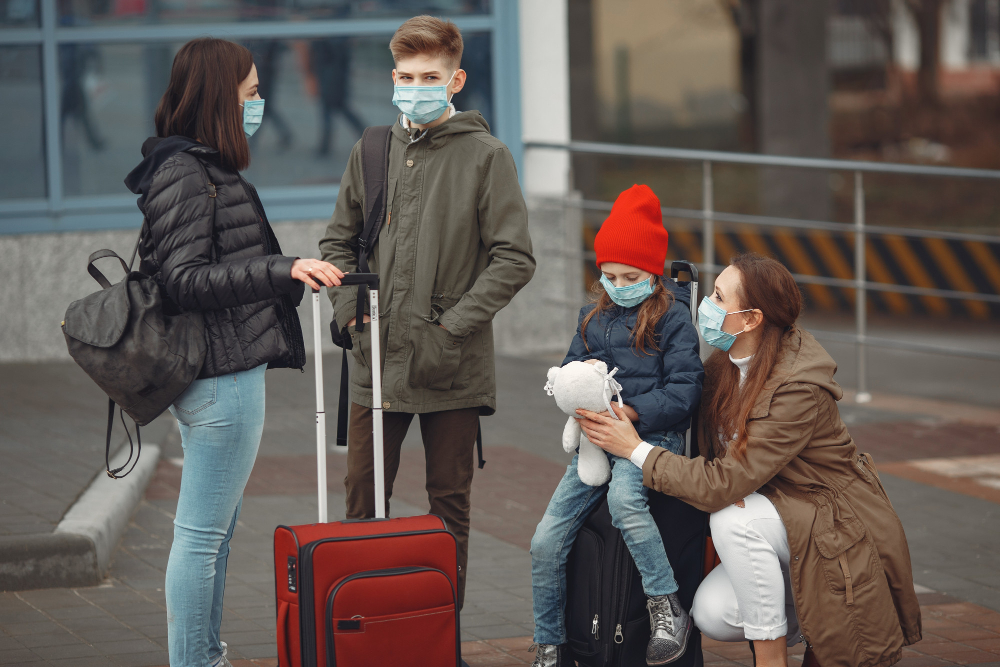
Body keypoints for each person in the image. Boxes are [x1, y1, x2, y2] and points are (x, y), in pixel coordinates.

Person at [576, 253, 922, 667]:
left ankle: (771, 658)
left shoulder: (796, 387)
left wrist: (633, 447)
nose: (704, 308)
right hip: (779, 514)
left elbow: (724, 483)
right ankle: (812, 610)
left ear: (751, 319)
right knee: (711, 612)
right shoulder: (725, 366)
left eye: (719, 298)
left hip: (831, 523)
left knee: (731, 516)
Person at [124, 38, 344, 667]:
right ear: (221, 97)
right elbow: (183, 280)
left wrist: (280, 277)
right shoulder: (188, 172)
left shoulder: (198, 167)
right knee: (200, 540)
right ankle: (196, 660)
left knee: (212, 538)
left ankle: (207, 655)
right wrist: (283, 269)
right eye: (250, 93)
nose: (258, 103)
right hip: (220, 379)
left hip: (218, 372)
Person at [318, 15, 534, 612]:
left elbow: (515, 259)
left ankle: (439, 636)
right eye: (407, 75)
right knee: (364, 503)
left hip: (453, 366)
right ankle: (364, 628)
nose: (417, 86)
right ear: (393, 77)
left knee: (448, 509)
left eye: (430, 76)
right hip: (374, 361)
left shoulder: (487, 157)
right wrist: (350, 316)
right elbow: (336, 244)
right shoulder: (371, 150)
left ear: (456, 79)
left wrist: (451, 327)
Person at [529, 185, 704, 667]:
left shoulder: (672, 320)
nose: (618, 283)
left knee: (626, 502)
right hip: (593, 441)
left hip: (648, 437)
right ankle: (549, 643)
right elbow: (569, 372)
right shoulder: (591, 317)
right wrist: (575, 398)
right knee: (545, 540)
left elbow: (687, 389)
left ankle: (666, 607)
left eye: (630, 276)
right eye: (609, 275)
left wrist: (634, 412)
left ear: (652, 274)